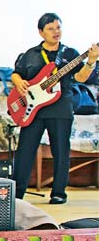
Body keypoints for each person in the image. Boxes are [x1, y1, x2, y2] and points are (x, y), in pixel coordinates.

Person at [11, 13, 98, 204]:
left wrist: (91, 61)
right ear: (41, 32)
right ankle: (16, 194)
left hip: (60, 107)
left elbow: (81, 78)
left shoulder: (70, 54)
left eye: (58, 27)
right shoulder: (31, 54)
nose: (56, 32)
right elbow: (16, 74)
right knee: (25, 150)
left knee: (61, 150)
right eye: (51, 28)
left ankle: (59, 193)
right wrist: (19, 83)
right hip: (33, 108)